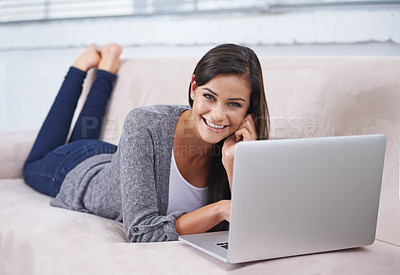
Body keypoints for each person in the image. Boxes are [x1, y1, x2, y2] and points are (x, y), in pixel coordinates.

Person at [23, 42, 270, 242]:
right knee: (32, 164)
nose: (217, 115)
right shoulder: (145, 123)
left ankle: (106, 68)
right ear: (194, 88)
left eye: (234, 104)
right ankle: (82, 68)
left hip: (118, 158)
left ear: (250, 108)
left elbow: (250, 227)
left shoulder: (240, 145)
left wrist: (233, 164)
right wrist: (217, 209)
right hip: (75, 168)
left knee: (85, 136)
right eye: (209, 96)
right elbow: (142, 231)